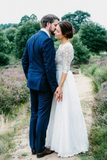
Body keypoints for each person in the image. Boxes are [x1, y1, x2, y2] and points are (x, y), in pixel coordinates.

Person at [46, 21, 89, 157]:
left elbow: (65, 68)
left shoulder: (68, 47)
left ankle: (68, 142)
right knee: (58, 110)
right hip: (59, 78)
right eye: (55, 30)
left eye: (57, 31)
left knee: (65, 109)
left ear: (64, 33)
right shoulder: (62, 45)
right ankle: (58, 141)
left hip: (63, 80)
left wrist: (60, 86)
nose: (55, 32)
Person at [22, 14, 62, 158]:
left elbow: (24, 61)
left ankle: (33, 147)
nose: (57, 27)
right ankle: (40, 149)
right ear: (48, 24)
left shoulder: (31, 39)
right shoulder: (47, 41)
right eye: (56, 24)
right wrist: (55, 87)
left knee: (34, 115)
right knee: (42, 116)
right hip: (44, 85)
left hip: (33, 83)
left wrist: (31, 77)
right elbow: (49, 67)